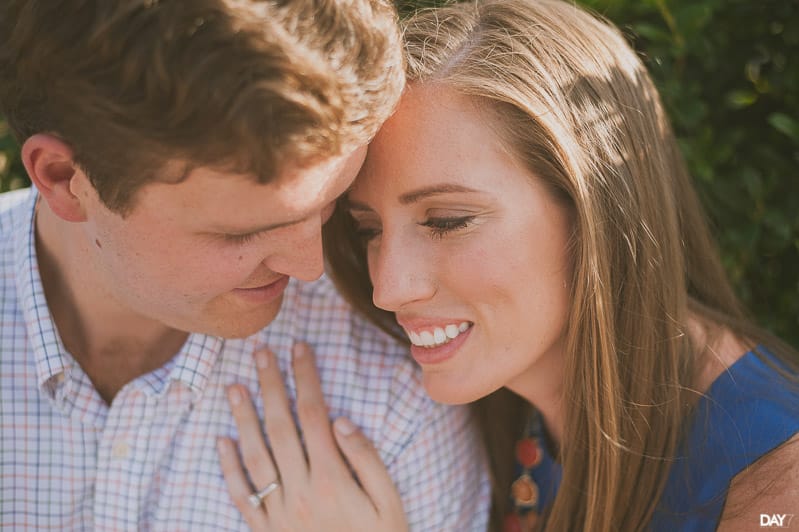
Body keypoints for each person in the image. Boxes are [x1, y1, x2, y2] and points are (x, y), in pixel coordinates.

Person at [218, 0, 799, 530]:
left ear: (597, 210)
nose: (388, 289)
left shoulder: (777, 485)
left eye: (447, 220)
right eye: (368, 229)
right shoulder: (497, 410)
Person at [0, 1, 491, 530]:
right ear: (61, 177)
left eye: (333, 207)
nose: (310, 268)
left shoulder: (393, 396)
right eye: (243, 231)